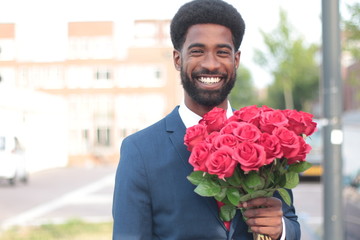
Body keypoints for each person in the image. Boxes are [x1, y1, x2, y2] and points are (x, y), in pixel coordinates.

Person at [112, 0, 301, 239]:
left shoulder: (268, 140)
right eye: (197, 51)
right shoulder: (139, 151)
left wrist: (281, 230)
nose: (211, 64)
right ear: (177, 59)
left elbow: (291, 224)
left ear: (236, 60)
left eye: (222, 52)